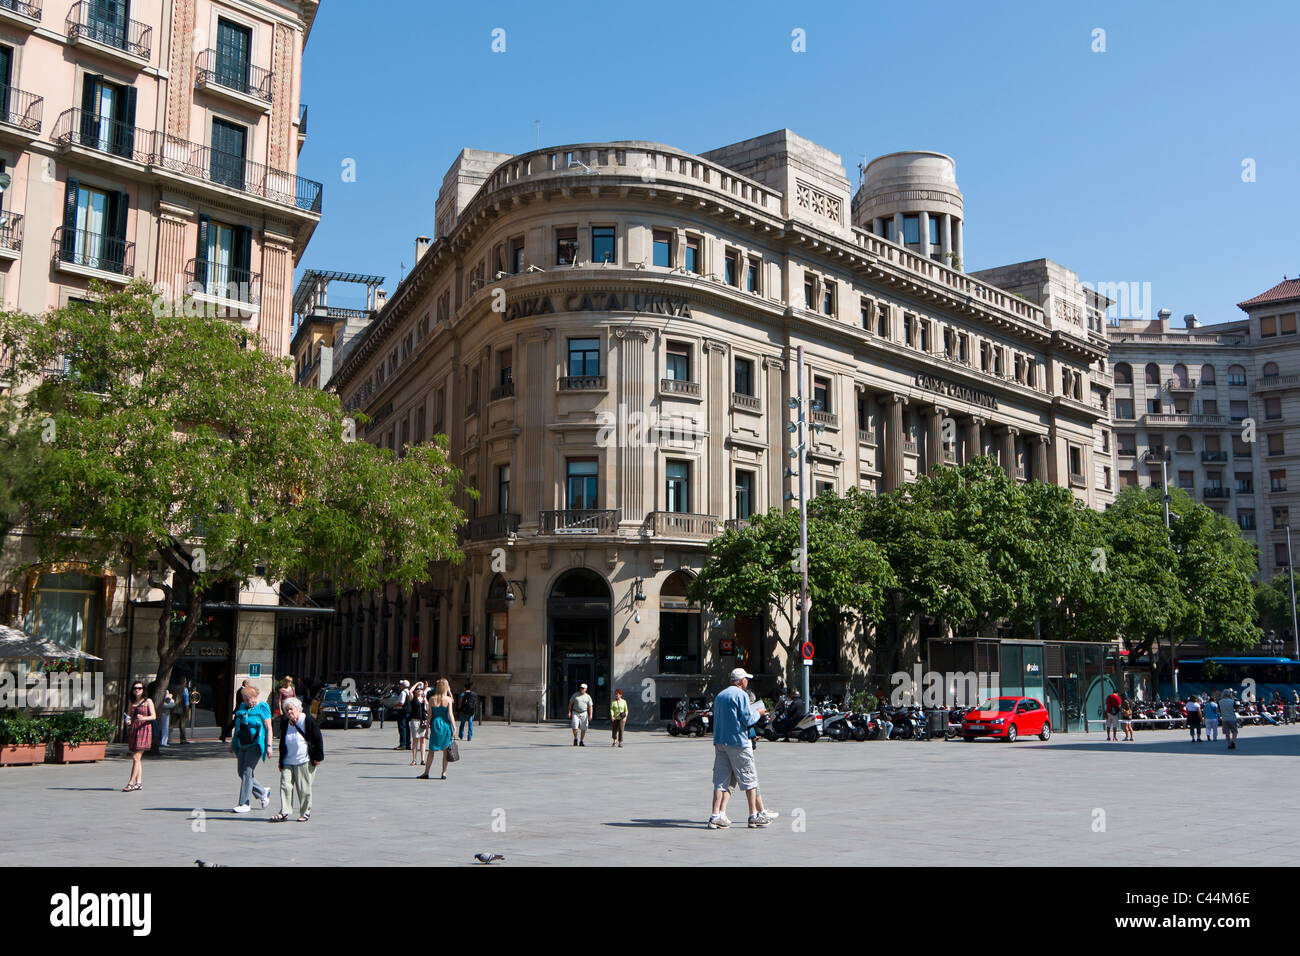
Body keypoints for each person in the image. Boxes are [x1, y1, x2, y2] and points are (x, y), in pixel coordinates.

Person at [708, 668, 777, 829]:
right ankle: (753, 815)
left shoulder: (720, 695)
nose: (747, 681)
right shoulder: (741, 695)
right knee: (749, 779)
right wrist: (759, 713)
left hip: (720, 741)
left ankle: (715, 816)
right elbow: (747, 719)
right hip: (738, 742)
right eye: (746, 679)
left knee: (720, 781)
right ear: (740, 681)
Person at [270, 697, 323, 823]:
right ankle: (284, 811)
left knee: (303, 789)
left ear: (298, 709)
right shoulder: (285, 722)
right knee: (285, 786)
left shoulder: (307, 720)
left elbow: (318, 738)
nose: (289, 712)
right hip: (288, 760)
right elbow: (283, 742)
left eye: (291, 709)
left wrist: (318, 757)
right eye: (286, 710)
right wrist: (280, 761)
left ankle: (305, 812)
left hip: (303, 760)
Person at [231, 685, 273, 813]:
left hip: (256, 744)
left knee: (247, 771)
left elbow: (269, 727)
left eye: (248, 698)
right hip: (243, 743)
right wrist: (232, 743)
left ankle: (244, 803)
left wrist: (269, 746)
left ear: (255, 697)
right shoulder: (243, 706)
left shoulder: (263, 707)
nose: (245, 701)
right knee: (241, 772)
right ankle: (262, 792)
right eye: (244, 698)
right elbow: (238, 726)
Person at [418, 679, 457, 780]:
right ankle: (443, 773)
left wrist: (427, 729)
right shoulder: (448, 699)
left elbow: (429, 716)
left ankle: (426, 772)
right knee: (445, 750)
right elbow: (450, 714)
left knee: (431, 751)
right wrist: (454, 726)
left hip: (435, 725)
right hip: (446, 725)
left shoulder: (431, 699)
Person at [122, 681, 155, 792]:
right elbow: (130, 717)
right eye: (135, 688)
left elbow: (154, 716)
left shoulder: (148, 701)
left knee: (136, 757)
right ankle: (139, 783)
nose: (137, 690)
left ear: (143, 689)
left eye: (140, 688)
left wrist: (143, 718)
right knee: (137, 759)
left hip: (144, 730)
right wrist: (129, 721)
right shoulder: (132, 703)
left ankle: (130, 783)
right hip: (134, 730)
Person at [409, 683, 429, 767]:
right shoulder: (413, 698)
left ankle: (423, 759)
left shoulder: (424, 698)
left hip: (423, 721)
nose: (419, 690)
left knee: (423, 740)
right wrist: (417, 683)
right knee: (415, 740)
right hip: (415, 721)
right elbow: (410, 691)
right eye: (417, 689)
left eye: (420, 689)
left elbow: (428, 710)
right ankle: (414, 759)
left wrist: (426, 703)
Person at [395, 680, 412, 751]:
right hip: (408, 711)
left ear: (403, 685)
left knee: (402, 727)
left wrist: (395, 705)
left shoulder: (403, 692)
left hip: (402, 711)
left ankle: (403, 744)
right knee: (407, 728)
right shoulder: (408, 692)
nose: (400, 685)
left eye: (401, 684)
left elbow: (401, 702)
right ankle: (408, 744)